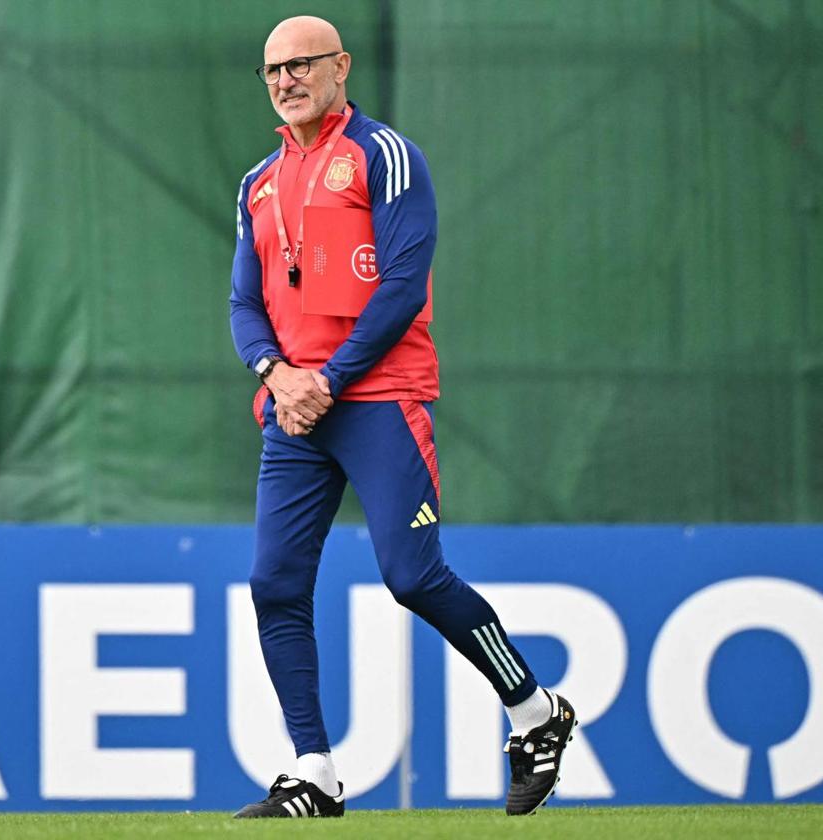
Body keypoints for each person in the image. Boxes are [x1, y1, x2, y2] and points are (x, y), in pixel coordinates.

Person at [228, 15, 575, 819]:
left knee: (412, 575)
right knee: (273, 584)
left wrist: (329, 378)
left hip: (378, 397)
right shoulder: (258, 182)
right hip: (296, 411)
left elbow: (403, 285)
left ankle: (536, 714)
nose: (285, 81)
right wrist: (280, 375)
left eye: (301, 65)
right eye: (272, 71)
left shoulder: (383, 156)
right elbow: (246, 303)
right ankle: (313, 773)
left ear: (341, 66)